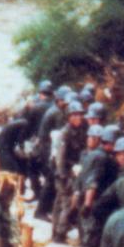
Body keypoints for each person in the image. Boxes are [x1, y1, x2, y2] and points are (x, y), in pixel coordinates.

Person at [50, 100, 88, 242]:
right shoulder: (65, 134)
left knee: (60, 204)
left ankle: (57, 232)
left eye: (80, 115)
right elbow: (60, 157)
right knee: (66, 204)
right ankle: (59, 234)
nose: (78, 118)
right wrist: (63, 175)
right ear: (69, 117)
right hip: (64, 174)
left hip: (71, 171)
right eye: (75, 115)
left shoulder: (78, 131)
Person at [31, 88, 70, 221]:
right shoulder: (57, 113)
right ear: (59, 100)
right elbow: (61, 135)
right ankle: (41, 211)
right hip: (48, 148)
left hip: (46, 146)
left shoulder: (56, 110)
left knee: (51, 180)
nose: (67, 104)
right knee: (51, 180)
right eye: (65, 101)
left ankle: (44, 209)